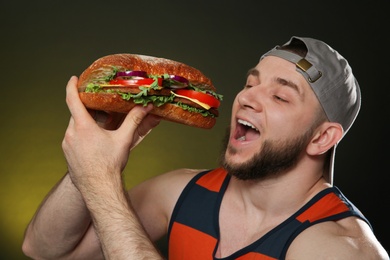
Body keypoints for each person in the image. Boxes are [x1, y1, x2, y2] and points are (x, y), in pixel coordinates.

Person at [22, 36, 389, 260]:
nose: (246, 98)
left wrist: (102, 182)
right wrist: (87, 161)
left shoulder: (341, 248)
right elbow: (47, 250)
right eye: (251, 83)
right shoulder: (184, 192)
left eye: (279, 95)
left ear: (322, 138)